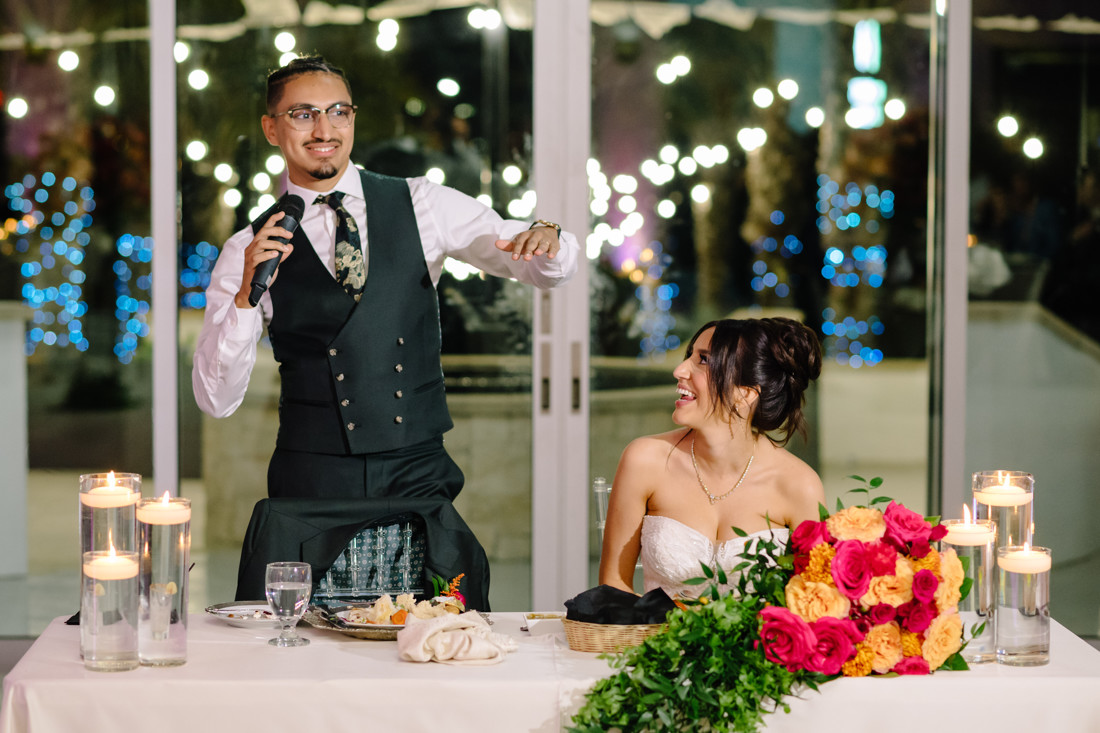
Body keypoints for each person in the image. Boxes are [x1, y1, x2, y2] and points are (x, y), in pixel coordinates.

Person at [192, 56, 577, 519]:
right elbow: (216, 399)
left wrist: (549, 238)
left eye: (338, 112)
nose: (323, 129)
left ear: (353, 119)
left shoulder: (422, 203)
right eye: (303, 114)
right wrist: (244, 299)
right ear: (272, 129)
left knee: (434, 594)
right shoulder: (247, 247)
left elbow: (533, 265)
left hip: (416, 469)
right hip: (312, 476)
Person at [598, 318, 824, 599]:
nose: (679, 370)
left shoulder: (799, 485)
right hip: (655, 641)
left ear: (745, 393)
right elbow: (613, 586)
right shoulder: (644, 460)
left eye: (704, 360)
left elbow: (816, 602)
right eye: (689, 356)